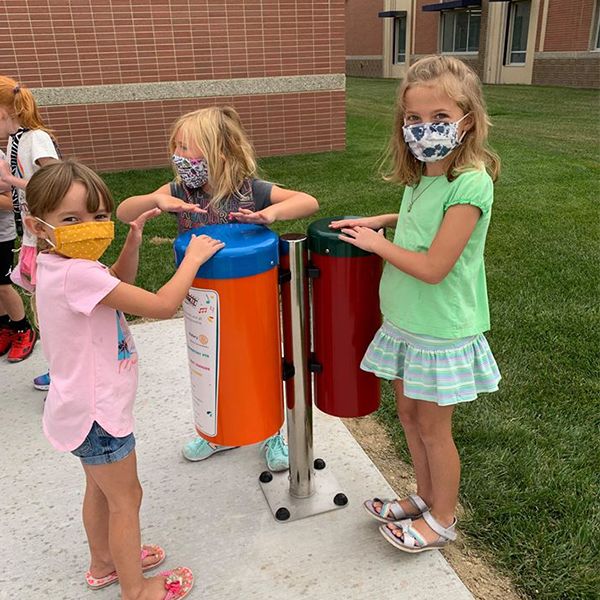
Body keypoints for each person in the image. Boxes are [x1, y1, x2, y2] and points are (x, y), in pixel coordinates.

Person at [24, 159, 224, 599]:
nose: (91, 227)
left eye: (98, 217)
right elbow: (162, 305)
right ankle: (136, 590)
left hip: (76, 408)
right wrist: (192, 259)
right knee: (125, 500)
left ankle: (105, 564)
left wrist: (132, 240)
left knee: (99, 491)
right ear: (37, 225)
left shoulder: (54, 265)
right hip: (99, 414)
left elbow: (116, 284)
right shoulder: (77, 273)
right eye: (71, 219)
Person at [330, 55, 501, 553]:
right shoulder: (425, 175)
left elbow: (433, 266)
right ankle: (424, 497)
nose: (425, 129)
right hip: (406, 321)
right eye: (414, 119)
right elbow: (421, 219)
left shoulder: (471, 182)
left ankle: (443, 518)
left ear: (467, 120)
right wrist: (381, 220)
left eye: (440, 119)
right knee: (408, 414)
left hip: (439, 328)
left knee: (433, 426)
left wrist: (375, 244)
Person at [116, 106, 319, 470]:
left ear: (219, 153)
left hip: (251, 304)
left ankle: (270, 430)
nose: (178, 156)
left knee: (259, 362)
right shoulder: (179, 190)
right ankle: (220, 431)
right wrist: (156, 200)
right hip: (202, 303)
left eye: (186, 148)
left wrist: (269, 214)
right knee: (211, 364)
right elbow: (124, 211)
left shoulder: (250, 190)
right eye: (175, 147)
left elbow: (307, 201)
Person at [0, 76, 58, 362]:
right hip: (32, 235)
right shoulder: (14, 140)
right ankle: (59, 366)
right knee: (41, 304)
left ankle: (63, 369)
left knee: (53, 306)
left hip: (49, 237)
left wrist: (12, 180)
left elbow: (56, 182)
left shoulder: (37, 138)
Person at [0, 150, 37, 362]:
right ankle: (6, 327)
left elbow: (12, 202)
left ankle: (23, 329)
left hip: (2, 235)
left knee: (3, 286)